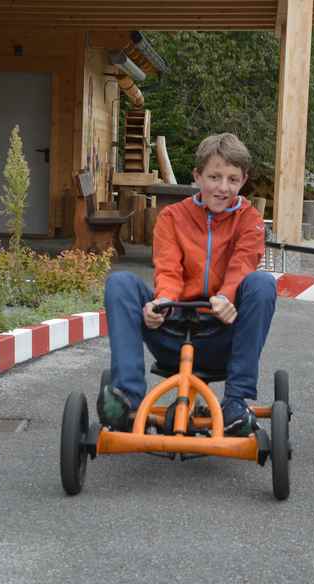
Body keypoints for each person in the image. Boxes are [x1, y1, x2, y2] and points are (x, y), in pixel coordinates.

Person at [99, 133, 277, 436]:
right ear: (197, 176)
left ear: (243, 180)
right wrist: (162, 304)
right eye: (214, 177)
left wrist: (226, 297)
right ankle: (128, 397)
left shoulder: (250, 220)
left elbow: (243, 263)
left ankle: (236, 401)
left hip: (222, 335)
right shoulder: (172, 217)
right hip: (173, 333)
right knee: (120, 283)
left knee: (262, 283)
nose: (223, 187)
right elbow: (168, 269)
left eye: (233, 179)